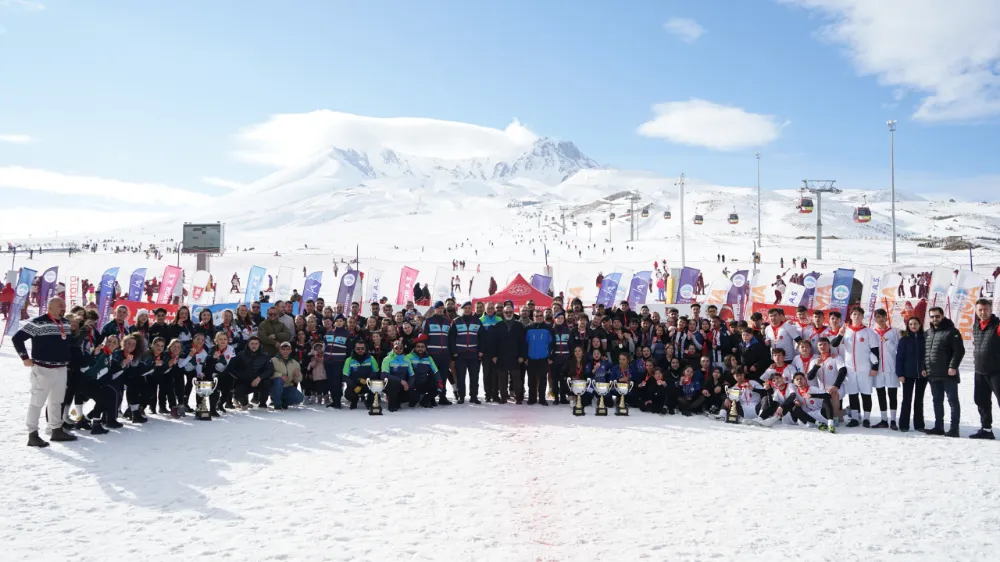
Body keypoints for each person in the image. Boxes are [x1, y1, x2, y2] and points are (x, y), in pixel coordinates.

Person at [12, 297, 78, 447]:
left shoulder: (65, 323)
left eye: (64, 305)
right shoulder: (38, 322)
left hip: (61, 369)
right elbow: (17, 339)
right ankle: (33, 433)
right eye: (60, 305)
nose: (63, 307)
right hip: (43, 369)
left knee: (57, 401)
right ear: (50, 307)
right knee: (37, 402)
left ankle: (56, 430)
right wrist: (25, 358)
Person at [923, 306, 965, 437]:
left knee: (952, 401)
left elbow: (959, 351)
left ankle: (954, 429)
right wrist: (924, 367)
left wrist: (953, 366)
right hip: (933, 373)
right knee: (937, 400)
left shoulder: (952, 332)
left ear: (942, 316)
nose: (934, 319)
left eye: (937, 316)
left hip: (948, 374)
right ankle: (939, 427)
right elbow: (924, 353)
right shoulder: (928, 333)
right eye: (932, 316)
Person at [840, 306, 880, 428]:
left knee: (866, 394)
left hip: (865, 368)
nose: (856, 316)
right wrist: (840, 334)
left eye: (859, 314)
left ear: (863, 317)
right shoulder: (845, 331)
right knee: (853, 394)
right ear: (851, 316)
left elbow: (875, 350)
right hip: (850, 368)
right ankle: (855, 418)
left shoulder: (869, 332)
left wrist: (875, 368)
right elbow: (835, 344)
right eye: (854, 314)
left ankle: (867, 418)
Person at [971, 298, 1000, 439]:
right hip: (980, 371)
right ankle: (986, 429)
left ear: (990, 310)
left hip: (996, 371)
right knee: (981, 400)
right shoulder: (976, 326)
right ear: (976, 311)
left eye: (985, 309)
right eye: (980, 310)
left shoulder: (998, 325)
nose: (983, 312)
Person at [448, 301, 484, 404]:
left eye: (469, 308)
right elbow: (452, 338)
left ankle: (474, 396)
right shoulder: (456, 321)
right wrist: (454, 352)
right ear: (462, 309)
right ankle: (461, 397)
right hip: (460, 354)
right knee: (460, 376)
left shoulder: (477, 321)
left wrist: (481, 351)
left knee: (474, 376)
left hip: (474, 354)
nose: (467, 310)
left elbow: (482, 338)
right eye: (465, 308)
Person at [491, 302, 526, 404]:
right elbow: (494, 342)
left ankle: (518, 398)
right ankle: (503, 397)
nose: (508, 314)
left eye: (510, 312)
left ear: (513, 312)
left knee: (516, 379)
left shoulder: (519, 326)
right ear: (503, 313)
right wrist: (494, 355)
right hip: (501, 356)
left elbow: (523, 342)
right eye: (506, 312)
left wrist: (522, 356)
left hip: (515, 357)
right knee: (502, 379)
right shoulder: (498, 325)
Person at [896, 317, 926, 433]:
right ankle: (904, 424)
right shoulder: (904, 339)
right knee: (906, 399)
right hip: (907, 374)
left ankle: (919, 424)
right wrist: (900, 374)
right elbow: (899, 358)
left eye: (915, 324)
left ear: (920, 325)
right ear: (908, 326)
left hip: (922, 375)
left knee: (919, 400)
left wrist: (926, 369)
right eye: (911, 324)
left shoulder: (924, 338)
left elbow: (927, 356)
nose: (913, 326)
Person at [871, 308, 900, 429]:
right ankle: (884, 419)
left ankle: (893, 420)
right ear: (875, 319)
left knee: (892, 394)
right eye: (878, 317)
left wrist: (888, 343)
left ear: (886, 318)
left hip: (891, 367)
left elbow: (899, 348)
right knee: (880, 394)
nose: (880, 319)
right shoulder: (872, 332)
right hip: (878, 369)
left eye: (882, 316)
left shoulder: (894, 332)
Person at [525, 310, 555, 405]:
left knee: (543, 379)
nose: (538, 317)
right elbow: (525, 344)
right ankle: (532, 398)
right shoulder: (528, 328)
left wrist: (550, 356)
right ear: (533, 317)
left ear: (543, 316)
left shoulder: (548, 328)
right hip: (531, 358)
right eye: (536, 316)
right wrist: (525, 357)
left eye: (540, 315)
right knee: (531, 380)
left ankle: (542, 399)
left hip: (544, 358)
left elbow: (552, 344)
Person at [270, 342, 304, 409]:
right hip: (275, 387)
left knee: (300, 398)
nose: (285, 351)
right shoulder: (273, 360)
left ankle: (284, 402)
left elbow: (298, 380)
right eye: (283, 349)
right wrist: (280, 375)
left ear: (290, 350)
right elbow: (269, 374)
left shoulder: (295, 363)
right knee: (279, 380)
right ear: (280, 350)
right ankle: (277, 404)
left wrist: (298, 375)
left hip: (287, 387)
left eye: (287, 349)